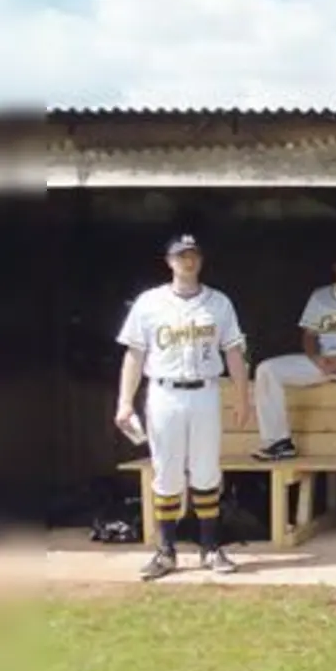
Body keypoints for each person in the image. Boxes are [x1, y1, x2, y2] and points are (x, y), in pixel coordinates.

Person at [114, 234, 251, 580]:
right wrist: (124, 401)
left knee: (206, 471)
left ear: (201, 260)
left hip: (204, 389)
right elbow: (134, 354)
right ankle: (166, 551)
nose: (188, 261)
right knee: (167, 471)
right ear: (169, 261)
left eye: (193, 255)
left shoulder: (218, 303)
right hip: (164, 391)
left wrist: (242, 395)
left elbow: (234, 351)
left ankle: (210, 548)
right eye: (181, 256)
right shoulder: (149, 303)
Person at [252, 244, 336, 462]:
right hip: (324, 359)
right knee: (267, 369)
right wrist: (316, 359)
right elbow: (309, 335)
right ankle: (278, 442)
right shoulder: (320, 296)